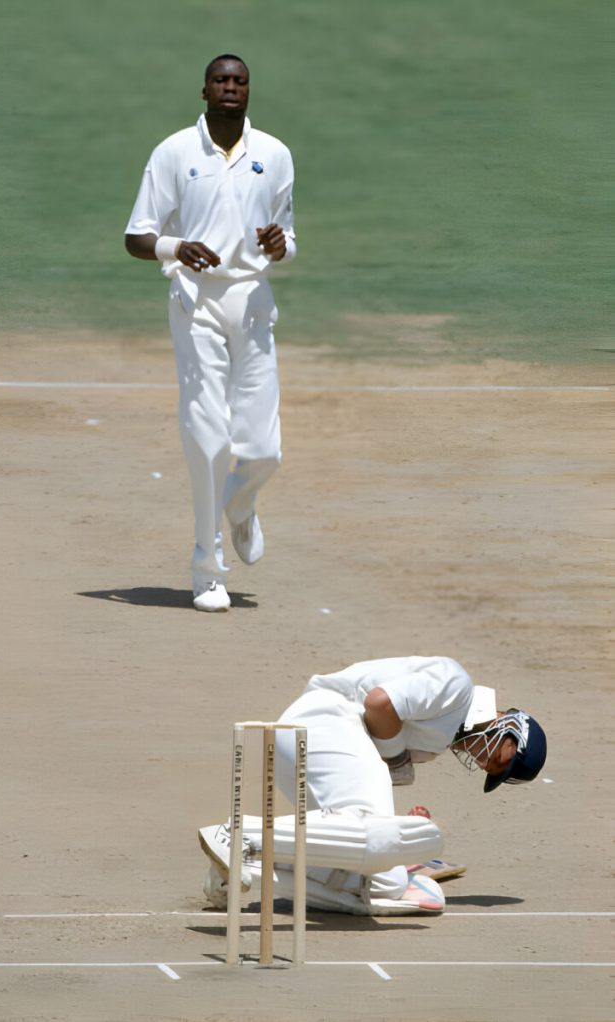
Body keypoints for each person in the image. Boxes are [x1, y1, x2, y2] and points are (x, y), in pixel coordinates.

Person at [125, 55, 296, 612]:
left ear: (249, 91)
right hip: (194, 299)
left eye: (240, 81)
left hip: (251, 300)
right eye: (221, 80)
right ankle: (207, 567)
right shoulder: (174, 151)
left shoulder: (274, 154)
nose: (230, 88)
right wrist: (178, 248)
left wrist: (281, 246)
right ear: (204, 89)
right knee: (207, 437)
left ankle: (240, 504)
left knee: (264, 449)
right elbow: (137, 236)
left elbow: (287, 237)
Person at [198, 655, 547, 915]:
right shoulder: (458, 686)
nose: (485, 763)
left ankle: (248, 870)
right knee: (385, 867)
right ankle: (243, 836)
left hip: (310, 748)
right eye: (499, 759)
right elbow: (379, 705)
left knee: (381, 883)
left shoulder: (439, 743)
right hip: (325, 720)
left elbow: (360, 770)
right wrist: (397, 761)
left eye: (491, 769)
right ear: (513, 729)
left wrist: (398, 844)